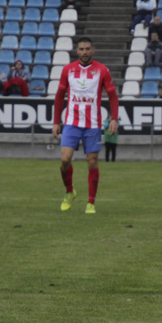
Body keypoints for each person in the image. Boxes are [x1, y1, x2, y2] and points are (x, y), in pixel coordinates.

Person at [52, 37, 119, 215]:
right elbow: (59, 96)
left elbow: (112, 95)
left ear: (93, 50)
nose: (84, 52)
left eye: (87, 49)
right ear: (77, 51)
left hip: (93, 124)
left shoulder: (102, 70)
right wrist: (56, 122)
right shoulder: (68, 70)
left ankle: (91, 202)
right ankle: (69, 192)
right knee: (65, 159)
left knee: (92, 162)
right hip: (72, 122)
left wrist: (114, 118)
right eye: (81, 49)